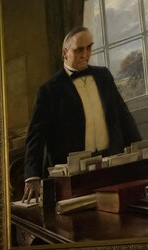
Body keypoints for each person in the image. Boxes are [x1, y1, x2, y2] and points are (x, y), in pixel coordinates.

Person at [21, 26, 140, 201]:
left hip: (111, 165)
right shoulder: (48, 91)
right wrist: (32, 176)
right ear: (65, 52)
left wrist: (141, 154)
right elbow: (36, 137)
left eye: (89, 47)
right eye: (79, 50)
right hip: (71, 176)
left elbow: (123, 116)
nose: (85, 54)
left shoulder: (103, 76)